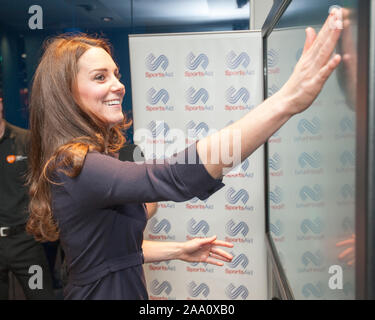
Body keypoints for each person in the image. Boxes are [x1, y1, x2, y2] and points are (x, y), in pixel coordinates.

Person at [26, 9, 343, 300]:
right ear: (65, 93)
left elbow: (109, 253)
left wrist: (179, 250)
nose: (119, 85)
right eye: (100, 77)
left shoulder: (82, 161)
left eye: (116, 73)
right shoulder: (78, 165)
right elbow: (175, 177)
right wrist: (287, 101)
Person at [0, 97, 55, 300]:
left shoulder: (27, 140)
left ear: (0, 103)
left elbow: (46, 184)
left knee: (41, 295)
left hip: (26, 243)